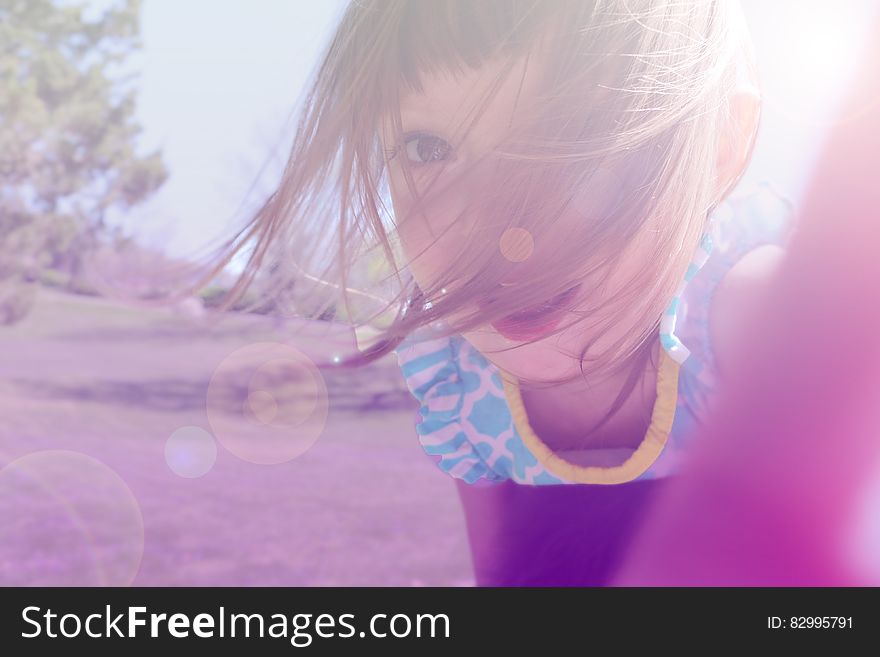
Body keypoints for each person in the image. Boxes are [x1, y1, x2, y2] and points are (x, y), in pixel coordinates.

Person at [205, 0, 795, 585]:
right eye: (427, 148)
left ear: (719, 148)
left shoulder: (751, 326)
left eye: (573, 138)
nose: (491, 227)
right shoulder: (464, 393)